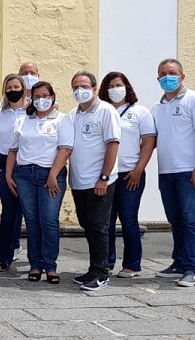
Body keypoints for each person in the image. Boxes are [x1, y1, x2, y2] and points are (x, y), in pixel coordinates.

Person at [151, 58, 195, 287]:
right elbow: (152, 139)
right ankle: (178, 262)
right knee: (175, 220)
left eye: (172, 72)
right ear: (158, 79)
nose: (168, 77)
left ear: (182, 76)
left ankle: (191, 267)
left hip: (190, 171)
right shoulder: (157, 107)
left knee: (192, 220)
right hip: (166, 171)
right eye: (163, 73)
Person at [5, 81, 73, 284]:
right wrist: (9, 175)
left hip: (50, 175)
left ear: (52, 97)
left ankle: (50, 266)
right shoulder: (24, 120)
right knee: (32, 222)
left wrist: (53, 175)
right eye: (37, 96)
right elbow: (12, 150)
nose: (41, 100)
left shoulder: (62, 120)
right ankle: (35, 265)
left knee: (49, 221)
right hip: (24, 174)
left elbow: (65, 149)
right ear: (31, 98)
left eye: (46, 95)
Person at [67, 71, 121, 291]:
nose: (80, 90)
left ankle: (101, 273)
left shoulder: (106, 111)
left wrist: (104, 177)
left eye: (84, 86)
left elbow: (113, 144)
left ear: (94, 88)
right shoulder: (73, 114)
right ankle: (93, 268)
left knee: (99, 227)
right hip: (79, 181)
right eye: (76, 87)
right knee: (87, 225)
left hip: (99, 181)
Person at [99, 71, 156, 279]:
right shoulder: (102, 111)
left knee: (128, 218)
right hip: (107, 175)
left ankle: (132, 264)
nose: (115, 89)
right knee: (106, 221)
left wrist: (138, 169)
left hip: (130, 174)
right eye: (111, 86)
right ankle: (106, 262)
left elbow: (149, 141)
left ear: (127, 87)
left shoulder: (140, 112)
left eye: (118, 85)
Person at [0, 74, 28, 271]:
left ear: (23, 88)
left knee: (29, 212)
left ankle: (36, 258)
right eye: (9, 88)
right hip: (3, 161)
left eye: (16, 87)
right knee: (9, 210)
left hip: (27, 163)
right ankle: (3, 256)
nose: (13, 90)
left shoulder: (32, 112)